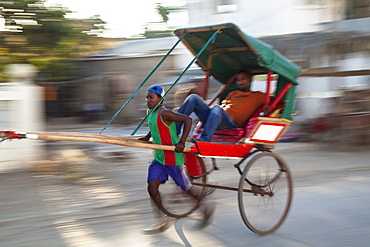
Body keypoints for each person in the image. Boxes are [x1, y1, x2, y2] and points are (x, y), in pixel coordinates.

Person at [139, 85, 215, 234]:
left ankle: (206, 209)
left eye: (151, 97)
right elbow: (153, 126)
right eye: (147, 97)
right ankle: (162, 219)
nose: (148, 100)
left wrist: (182, 142)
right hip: (159, 158)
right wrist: (147, 137)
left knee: (186, 189)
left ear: (160, 100)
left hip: (173, 159)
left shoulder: (165, 113)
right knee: (152, 187)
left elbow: (186, 120)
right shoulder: (150, 113)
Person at [176, 70, 265, 142]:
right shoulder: (233, 93)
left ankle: (204, 139)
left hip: (230, 123)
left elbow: (275, 101)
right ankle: (174, 131)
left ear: (250, 79)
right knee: (193, 98)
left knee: (216, 108)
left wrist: (268, 111)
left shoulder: (258, 95)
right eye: (238, 80)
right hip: (215, 117)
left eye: (243, 79)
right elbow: (224, 105)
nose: (240, 82)